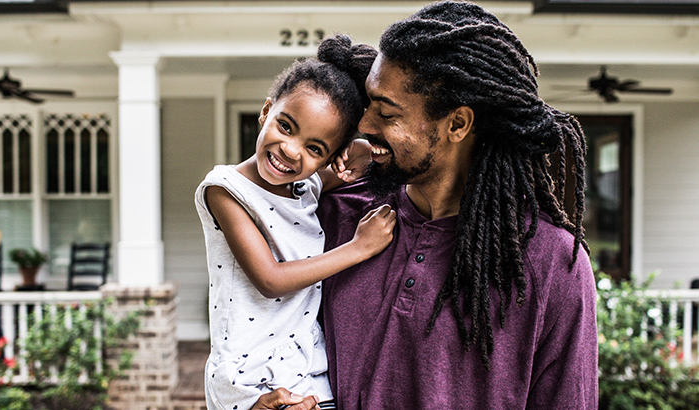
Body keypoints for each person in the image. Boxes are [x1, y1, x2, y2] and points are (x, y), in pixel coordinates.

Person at [252, 1, 598, 409]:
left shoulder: (551, 264)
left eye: (386, 113)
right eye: (369, 106)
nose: (364, 126)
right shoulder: (335, 215)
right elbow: (259, 339)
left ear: (457, 124)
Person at [195, 35, 396, 410]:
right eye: (286, 126)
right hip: (249, 377)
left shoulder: (306, 186)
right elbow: (271, 280)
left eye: (314, 148)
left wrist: (357, 149)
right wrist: (359, 248)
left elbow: (366, 156)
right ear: (266, 110)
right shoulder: (226, 189)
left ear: (328, 158)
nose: (291, 149)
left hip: (309, 370)